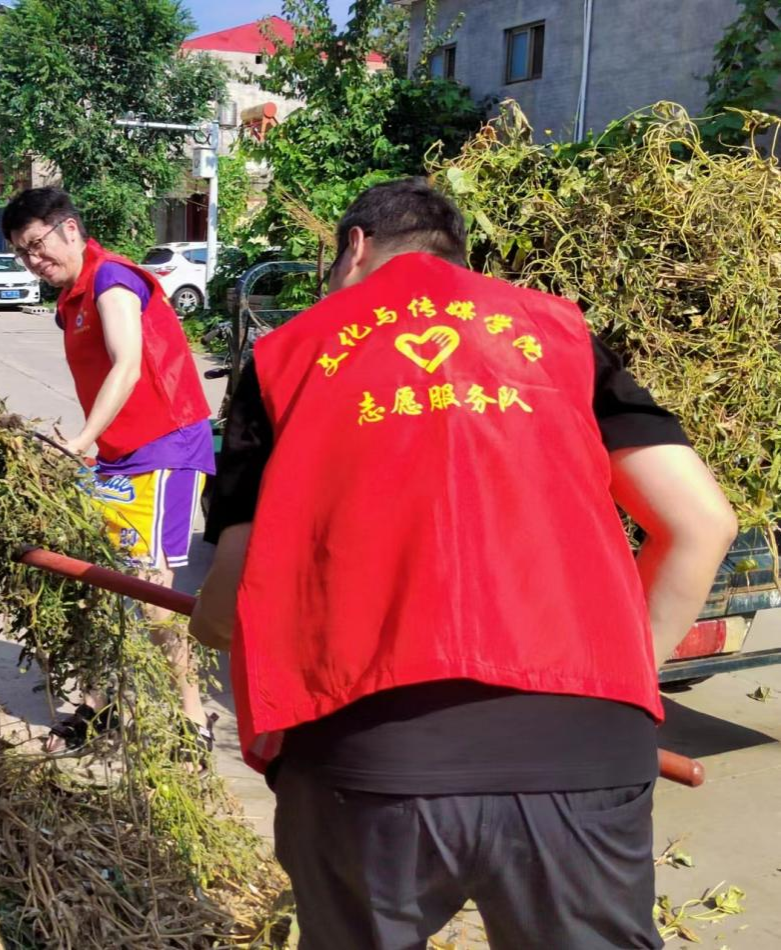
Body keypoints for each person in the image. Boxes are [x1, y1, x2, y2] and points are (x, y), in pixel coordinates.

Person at [189, 178, 738, 949]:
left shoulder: (290, 353)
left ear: (355, 248)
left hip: (372, 761)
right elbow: (703, 524)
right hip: (584, 748)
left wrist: (210, 622)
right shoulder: (560, 335)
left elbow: (234, 592)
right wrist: (621, 677)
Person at [1, 187, 217, 755]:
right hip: (119, 455)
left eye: (37, 245)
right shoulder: (69, 299)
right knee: (97, 579)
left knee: (151, 592)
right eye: (22, 252)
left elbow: (127, 364)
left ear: (69, 229)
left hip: (166, 447)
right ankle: (100, 705)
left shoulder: (112, 279)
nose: (33, 260)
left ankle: (193, 718)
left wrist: (81, 440)